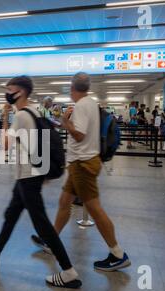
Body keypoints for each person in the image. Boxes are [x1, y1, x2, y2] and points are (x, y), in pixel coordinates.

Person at [0, 76, 82, 289]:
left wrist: (5, 116)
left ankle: (69, 272)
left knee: (42, 225)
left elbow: (5, 145)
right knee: (11, 215)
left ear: (21, 91)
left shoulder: (22, 115)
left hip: (28, 177)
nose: (7, 92)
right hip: (28, 175)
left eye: (10, 88)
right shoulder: (34, 111)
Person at [31, 72, 131, 272]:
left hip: (83, 164)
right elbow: (80, 131)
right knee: (64, 203)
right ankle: (52, 241)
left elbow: (78, 135)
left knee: (94, 209)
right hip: (79, 163)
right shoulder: (90, 104)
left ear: (72, 87)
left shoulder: (83, 106)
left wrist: (67, 123)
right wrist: (64, 121)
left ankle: (118, 254)